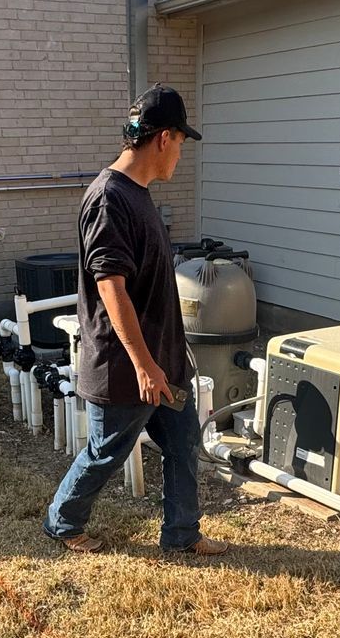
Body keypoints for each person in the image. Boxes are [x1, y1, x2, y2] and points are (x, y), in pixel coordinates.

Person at [44, 85, 227, 556]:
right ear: (164, 138)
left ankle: (182, 534)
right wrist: (144, 365)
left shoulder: (138, 193)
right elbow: (111, 287)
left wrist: (163, 360)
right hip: (127, 366)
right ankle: (63, 522)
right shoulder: (109, 198)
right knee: (107, 452)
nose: (180, 155)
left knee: (184, 443)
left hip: (163, 360)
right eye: (182, 143)